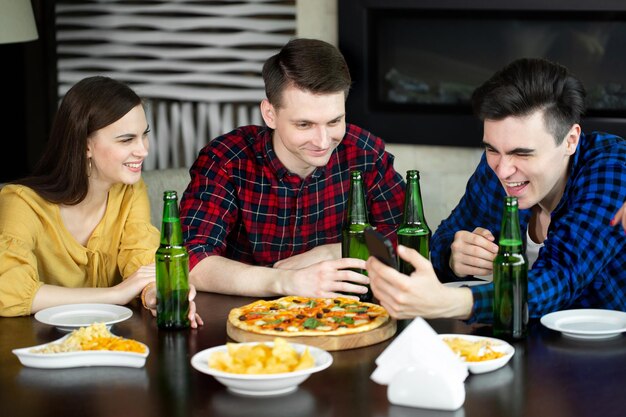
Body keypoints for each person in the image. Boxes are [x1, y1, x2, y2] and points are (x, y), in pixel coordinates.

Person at [367, 58, 626, 322]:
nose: (502, 171)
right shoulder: (499, 165)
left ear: (570, 141)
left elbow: (559, 278)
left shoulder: (613, 167)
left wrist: (454, 302)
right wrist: (452, 258)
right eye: (492, 149)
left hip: (607, 353)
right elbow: (448, 233)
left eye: (522, 153)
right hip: (518, 344)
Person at [180, 38, 405, 298]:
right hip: (245, 315)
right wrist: (286, 281)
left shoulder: (365, 153)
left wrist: (338, 249)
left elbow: (406, 236)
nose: (323, 141)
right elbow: (190, 257)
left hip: (343, 315)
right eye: (304, 125)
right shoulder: (227, 159)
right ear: (270, 114)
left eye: (334, 121)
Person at [0, 76, 202, 327]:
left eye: (144, 135)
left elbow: (140, 259)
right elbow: (7, 291)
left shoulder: (130, 191)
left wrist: (154, 294)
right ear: (85, 145)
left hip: (113, 343)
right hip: (40, 343)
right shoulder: (20, 202)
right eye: (127, 139)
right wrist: (115, 294)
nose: (143, 150)